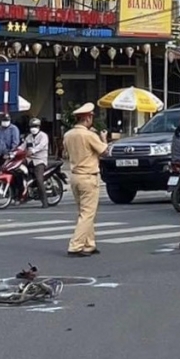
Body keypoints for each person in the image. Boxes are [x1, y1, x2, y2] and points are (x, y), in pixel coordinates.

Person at [63, 103, 108, 257]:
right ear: (88, 118)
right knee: (88, 214)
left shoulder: (68, 135)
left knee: (84, 212)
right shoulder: (89, 135)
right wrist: (103, 138)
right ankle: (75, 246)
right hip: (89, 176)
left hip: (75, 176)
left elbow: (65, 152)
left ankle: (89, 244)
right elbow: (104, 152)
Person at [22, 117, 50, 208]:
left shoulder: (43, 136)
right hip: (30, 160)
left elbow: (41, 146)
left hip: (40, 160)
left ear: (38, 127)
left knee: (39, 179)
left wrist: (33, 151)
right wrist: (13, 152)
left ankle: (44, 201)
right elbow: (22, 146)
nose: (33, 128)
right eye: (31, 126)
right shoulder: (29, 137)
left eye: (35, 126)